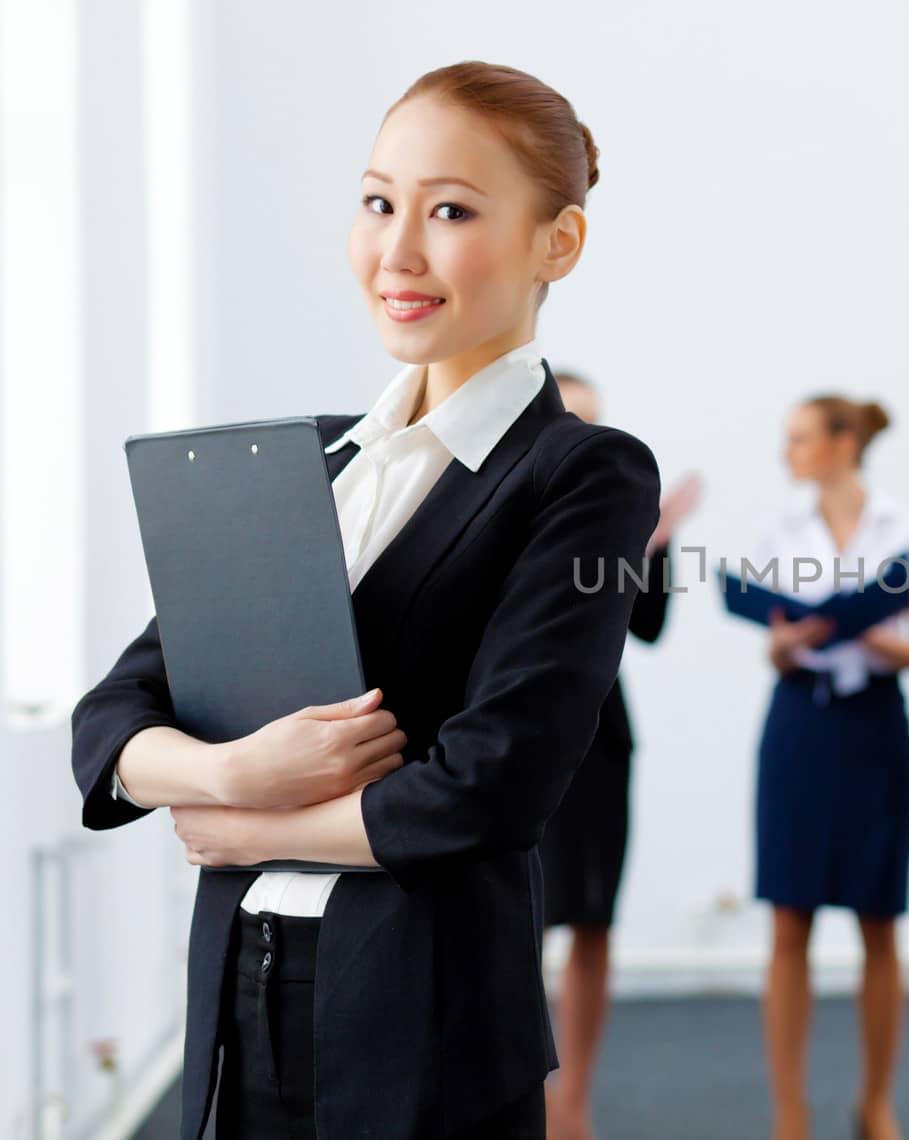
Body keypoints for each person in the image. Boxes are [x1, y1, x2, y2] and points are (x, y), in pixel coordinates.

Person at [69, 62, 660, 1140]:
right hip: (244, 987)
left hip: (424, 1014)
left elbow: (495, 783)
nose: (397, 251)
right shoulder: (313, 460)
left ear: (556, 243)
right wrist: (225, 772)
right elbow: (112, 714)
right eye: (379, 201)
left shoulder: (582, 473)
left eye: (451, 211)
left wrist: (240, 825)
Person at [753, 395, 909, 1140]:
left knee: (878, 921)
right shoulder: (780, 531)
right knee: (789, 920)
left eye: (799, 438)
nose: (788, 453)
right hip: (799, 725)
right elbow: (771, 643)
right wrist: (792, 640)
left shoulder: (908, 531)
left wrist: (858, 632)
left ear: (842, 443)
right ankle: (790, 1114)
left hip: (875, 729)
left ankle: (876, 1104)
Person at [542, 371, 700, 1140]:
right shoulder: (500, 504)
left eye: (598, 420)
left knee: (592, 921)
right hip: (508, 740)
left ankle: (573, 1106)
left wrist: (655, 544)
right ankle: (520, 1101)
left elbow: (649, 626)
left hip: (599, 742)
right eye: (576, 418)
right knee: (511, 924)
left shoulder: (618, 514)